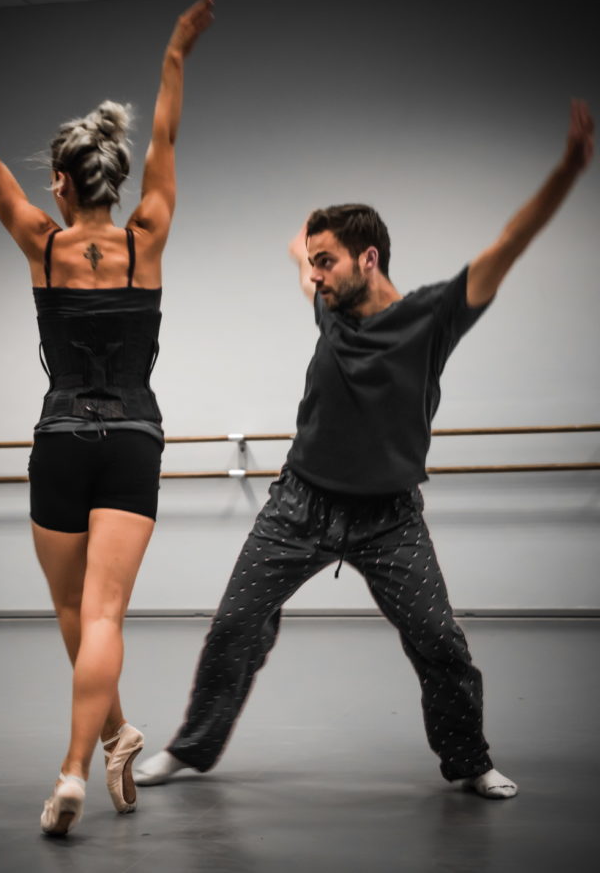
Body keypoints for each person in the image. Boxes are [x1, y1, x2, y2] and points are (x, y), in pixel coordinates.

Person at [135, 99, 594, 799]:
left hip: (389, 518)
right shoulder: (331, 308)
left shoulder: (432, 318)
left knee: (440, 642)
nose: (315, 277)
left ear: (369, 259)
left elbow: (511, 241)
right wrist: (306, 246)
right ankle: (191, 749)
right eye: (314, 265)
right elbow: (300, 254)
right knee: (235, 626)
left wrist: (566, 170)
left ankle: (469, 761)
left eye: (328, 263)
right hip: (298, 506)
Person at [0, 0, 214, 835]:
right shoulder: (148, 236)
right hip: (133, 438)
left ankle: (77, 768)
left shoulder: (41, 241)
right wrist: (175, 54)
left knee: (73, 613)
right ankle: (102, 746)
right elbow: (167, 139)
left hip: (60, 438)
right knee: (104, 615)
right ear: (115, 181)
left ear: (62, 183)